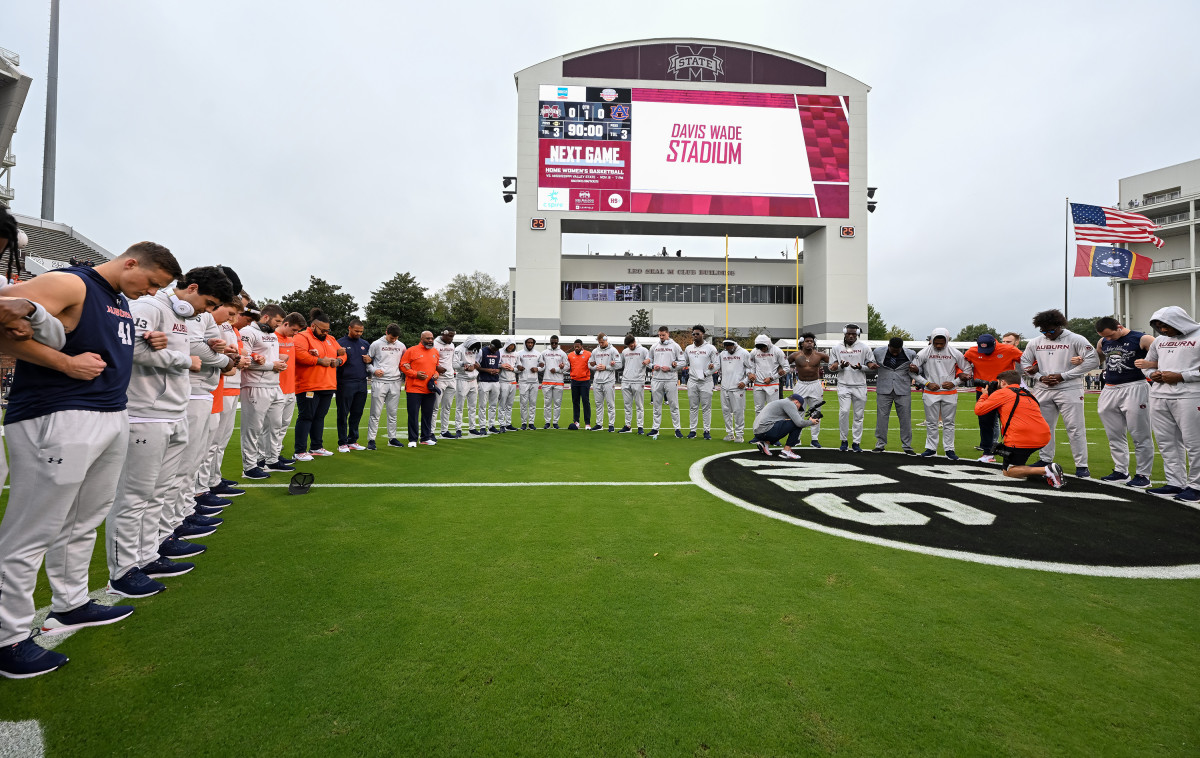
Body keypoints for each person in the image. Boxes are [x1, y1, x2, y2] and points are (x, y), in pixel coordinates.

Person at [0, 240, 180, 679]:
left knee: (84, 519)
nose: (151, 293)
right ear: (132, 262)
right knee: (31, 529)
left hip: (107, 414)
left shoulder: (117, 297)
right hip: (59, 413)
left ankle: (71, 602)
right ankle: (7, 638)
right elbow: (5, 317)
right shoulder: (70, 281)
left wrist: (147, 339)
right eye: (151, 283)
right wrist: (63, 363)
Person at [1020, 309, 1098, 477]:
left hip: (1069, 389)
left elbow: (1093, 360)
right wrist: (1040, 377)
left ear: (1059, 325)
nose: (1047, 334)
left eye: (1050, 330)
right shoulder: (1035, 342)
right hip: (1043, 389)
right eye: (1043, 330)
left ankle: (1081, 465)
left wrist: (1064, 376)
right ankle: (1045, 459)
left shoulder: (1076, 339)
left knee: (1075, 427)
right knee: (1043, 428)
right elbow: (1025, 361)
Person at [1141, 306, 1200, 500]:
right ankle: (1175, 482)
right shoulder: (1159, 341)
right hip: (1159, 395)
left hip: (1191, 395)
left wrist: (1181, 376)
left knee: (1195, 443)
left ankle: (1197, 486)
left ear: (1179, 321)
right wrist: (1153, 374)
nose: (1164, 330)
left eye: (1166, 325)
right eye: (1159, 326)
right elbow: (1147, 364)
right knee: (1167, 443)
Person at [197, 296, 252, 501]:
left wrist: (236, 359)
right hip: (211, 387)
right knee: (207, 444)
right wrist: (228, 362)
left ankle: (212, 480)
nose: (236, 317)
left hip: (224, 386)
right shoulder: (207, 319)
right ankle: (202, 489)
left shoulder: (228, 327)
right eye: (234, 312)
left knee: (218, 441)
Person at [1092, 317, 1155, 487]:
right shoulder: (1102, 341)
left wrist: (1149, 363)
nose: (1109, 339)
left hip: (1135, 386)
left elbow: (1164, 358)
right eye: (1106, 337)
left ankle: (1143, 475)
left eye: (1111, 335)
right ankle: (1121, 471)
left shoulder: (1142, 338)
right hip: (1110, 388)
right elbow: (1097, 359)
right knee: (1114, 435)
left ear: (1119, 327)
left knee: (1140, 435)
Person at [974, 370, 1064, 487]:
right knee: (1018, 460)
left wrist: (985, 394)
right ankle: (1032, 468)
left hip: (1021, 438)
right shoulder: (1027, 393)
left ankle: (1047, 470)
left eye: (998, 383)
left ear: (1003, 382)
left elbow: (979, 410)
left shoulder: (1003, 393)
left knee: (1009, 471)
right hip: (1043, 437)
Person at [239, 304, 287, 475]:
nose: (279, 325)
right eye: (277, 321)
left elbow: (268, 359)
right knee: (253, 428)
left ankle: (271, 460)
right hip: (255, 386)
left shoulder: (271, 335)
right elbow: (244, 360)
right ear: (266, 317)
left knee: (275, 425)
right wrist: (271, 365)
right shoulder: (247, 332)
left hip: (274, 385)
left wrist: (279, 363)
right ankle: (250, 467)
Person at [962, 333, 1024, 462]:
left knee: (1011, 422)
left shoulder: (1009, 349)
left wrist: (1034, 371)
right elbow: (961, 364)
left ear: (995, 344)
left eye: (988, 349)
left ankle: (1014, 452)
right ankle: (987, 452)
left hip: (1006, 391)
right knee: (985, 422)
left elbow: (1028, 360)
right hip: (984, 390)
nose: (986, 352)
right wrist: (962, 374)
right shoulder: (971, 352)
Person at [293, 310, 344, 459]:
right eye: (323, 330)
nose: (326, 332)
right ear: (313, 326)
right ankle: (300, 451)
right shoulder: (302, 336)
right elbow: (298, 354)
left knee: (320, 416)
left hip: (327, 384)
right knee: (306, 416)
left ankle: (316, 446)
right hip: (309, 385)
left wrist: (339, 361)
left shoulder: (331, 339)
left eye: (328, 330)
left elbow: (342, 353)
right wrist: (319, 360)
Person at [914, 327, 971, 459]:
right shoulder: (924, 352)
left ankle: (949, 449)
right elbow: (912, 371)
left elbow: (967, 370)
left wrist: (955, 382)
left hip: (950, 392)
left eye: (942, 343)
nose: (939, 345)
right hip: (930, 392)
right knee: (931, 422)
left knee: (949, 423)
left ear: (947, 340)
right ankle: (931, 448)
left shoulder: (955, 352)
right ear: (931, 340)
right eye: (936, 342)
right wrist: (927, 383)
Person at [265, 312, 305, 466]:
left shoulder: (291, 339)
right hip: (276, 387)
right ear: (285, 323)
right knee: (271, 426)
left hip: (290, 387)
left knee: (283, 425)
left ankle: (275, 454)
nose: (295, 334)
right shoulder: (272, 337)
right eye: (294, 330)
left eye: (297, 331)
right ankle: (265, 457)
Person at [871, 337, 918, 454]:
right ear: (888, 346)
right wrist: (866, 366)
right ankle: (880, 444)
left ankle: (907, 446)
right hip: (883, 390)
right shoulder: (877, 352)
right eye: (893, 350)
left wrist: (917, 369)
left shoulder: (911, 354)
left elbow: (919, 369)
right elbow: (869, 366)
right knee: (881, 418)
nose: (896, 352)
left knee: (905, 419)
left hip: (903, 390)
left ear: (902, 347)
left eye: (898, 350)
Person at [828, 324, 870, 452]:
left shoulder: (864, 347)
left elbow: (871, 366)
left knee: (859, 415)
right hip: (844, 384)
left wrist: (861, 367)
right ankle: (844, 440)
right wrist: (840, 366)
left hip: (860, 385)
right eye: (848, 334)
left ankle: (856, 442)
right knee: (844, 412)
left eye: (854, 334)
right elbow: (831, 367)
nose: (851, 336)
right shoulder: (836, 348)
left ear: (857, 334)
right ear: (844, 334)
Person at [365, 323, 406, 448]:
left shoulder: (401, 346)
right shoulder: (376, 344)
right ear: (386, 332)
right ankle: (371, 440)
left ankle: (392, 438)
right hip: (380, 382)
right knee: (375, 413)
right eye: (392, 338)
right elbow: (367, 362)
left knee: (393, 413)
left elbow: (404, 362)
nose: (394, 340)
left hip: (395, 382)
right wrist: (374, 370)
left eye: (396, 338)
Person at [400, 330, 443, 446]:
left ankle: (425, 437)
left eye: (432, 338)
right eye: (427, 338)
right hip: (414, 389)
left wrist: (436, 374)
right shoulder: (411, 350)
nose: (430, 340)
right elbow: (403, 366)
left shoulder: (435, 351)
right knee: (413, 415)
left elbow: (436, 368)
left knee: (428, 414)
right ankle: (413, 439)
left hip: (429, 389)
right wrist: (415, 374)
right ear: (421, 339)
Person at [336, 318, 371, 451]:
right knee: (343, 413)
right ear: (349, 328)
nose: (359, 334)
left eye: (361, 331)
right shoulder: (339, 343)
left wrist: (370, 359)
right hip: (345, 383)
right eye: (356, 331)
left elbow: (369, 362)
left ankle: (353, 440)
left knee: (357, 412)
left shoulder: (365, 343)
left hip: (362, 382)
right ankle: (342, 442)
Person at [749, 393, 819, 460]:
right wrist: (811, 422)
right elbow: (799, 423)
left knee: (790, 423)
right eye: (798, 407)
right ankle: (786, 451)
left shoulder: (781, 402)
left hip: (759, 432)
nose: (797, 409)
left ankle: (765, 443)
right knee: (796, 425)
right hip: (766, 430)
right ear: (796, 402)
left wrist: (808, 421)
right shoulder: (789, 403)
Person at [790, 333, 829, 447]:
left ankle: (814, 439)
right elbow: (782, 364)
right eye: (807, 341)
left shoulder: (820, 355)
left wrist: (838, 364)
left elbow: (834, 362)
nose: (809, 343)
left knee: (816, 411)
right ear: (802, 343)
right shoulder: (795, 355)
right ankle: (797, 438)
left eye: (811, 341)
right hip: (801, 384)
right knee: (798, 412)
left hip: (815, 384)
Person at [684, 325, 720, 440]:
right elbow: (683, 362)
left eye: (697, 334)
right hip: (692, 381)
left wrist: (707, 372)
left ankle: (706, 430)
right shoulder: (688, 348)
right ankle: (693, 430)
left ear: (703, 334)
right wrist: (673, 364)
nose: (695, 336)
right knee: (693, 407)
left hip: (706, 381)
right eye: (693, 334)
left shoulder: (711, 348)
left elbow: (717, 365)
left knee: (706, 407)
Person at [648, 326, 684, 438]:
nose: (661, 337)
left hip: (670, 379)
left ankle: (677, 429)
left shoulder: (675, 346)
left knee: (674, 405)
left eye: (663, 335)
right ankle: (655, 428)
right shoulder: (654, 346)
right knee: (656, 405)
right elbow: (648, 361)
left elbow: (683, 362)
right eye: (660, 335)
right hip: (657, 379)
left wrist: (671, 367)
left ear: (668, 334)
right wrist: (653, 366)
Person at [718, 337, 752, 442]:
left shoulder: (744, 353)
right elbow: (719, 368)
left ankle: (739, 435)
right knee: (726, 411)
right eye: (726, 346)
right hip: (724, 387)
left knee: (738, 411)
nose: (728, 348)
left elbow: (750, 368)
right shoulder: (722, 354)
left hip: (738, 387)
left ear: (734, 345)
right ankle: (729, 433)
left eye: (730, 346)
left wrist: (745, 382)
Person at [748, 334, 788, 417]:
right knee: (758, 409)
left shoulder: (777, 351)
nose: (762, 349)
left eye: (763, 347)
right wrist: (750, 373)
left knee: (773, 409)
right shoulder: (754, 351)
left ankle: (772, 429)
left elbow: (786, 368)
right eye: (759, 347)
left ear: (768, 344)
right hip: (758, 384)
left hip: (772, 384)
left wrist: (772, 378)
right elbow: (749, 365)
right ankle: (759, 428)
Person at [452, 335, 484, 436]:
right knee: (460, 406)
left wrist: (476, 365)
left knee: (473, 406)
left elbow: (478, 361)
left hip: (474, 380)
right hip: (462, 380)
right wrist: (464, 366)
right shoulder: (458, 349)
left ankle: (472, 427)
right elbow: (454, 364)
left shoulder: (476, 349)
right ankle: (458, 429)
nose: (473, 348)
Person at [619, 334, 650, 434]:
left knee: (639, 405)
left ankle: (640, 426)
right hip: (626, 380)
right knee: (627, 405)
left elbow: (650, 361)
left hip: (638, 380)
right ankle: (628, 426)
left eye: (631, 345)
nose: (630, 347)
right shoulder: (625, 351)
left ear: (634, 342)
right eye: (628, 346)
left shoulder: (644, 350)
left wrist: (648, 361)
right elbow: (620, 363)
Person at [590, 333, 621, 431]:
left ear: (606, 340)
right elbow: (589, 364)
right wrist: (595, 367)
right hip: (597, 381)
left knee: (610, 403)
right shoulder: (595, 351)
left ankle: (611, 425)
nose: (600, 344)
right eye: (599, 342)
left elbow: (619, 365)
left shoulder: (613, 350)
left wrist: (607, 367)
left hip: (609, 381)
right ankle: (599, 424)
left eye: (602, 342)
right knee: (598, 403)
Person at [433, 328, 458, 438]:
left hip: (451, 379)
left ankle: (444, 431)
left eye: (453, 336)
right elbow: (429, 360)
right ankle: (431, 432)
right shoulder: (434, 344)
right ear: (443, 334)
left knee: (447, 407)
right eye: (449, 336)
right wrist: (436, 368)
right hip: (439, 379)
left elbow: (451, 361)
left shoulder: (452, 345)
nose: (451, 338)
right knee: (435, 407)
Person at [540, 335, 569, 429]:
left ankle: (555, 422)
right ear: (550, 342)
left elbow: (567, 366)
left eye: (555, 343)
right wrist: (541, 366)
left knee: (557, 403)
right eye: (552, 342)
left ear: (558, 342)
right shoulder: (544, 352)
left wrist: (558, 369)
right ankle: (547, 422)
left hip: (558, 381)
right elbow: (541, 366)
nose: (554, 344)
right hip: (546, 381)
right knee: (547, 403)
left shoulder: (562, 353)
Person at [565, 338, 593, 430]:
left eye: (578, 346)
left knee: (585, 401)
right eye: (575, 346)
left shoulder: (588, 354)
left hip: (585, 381)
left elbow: (592, 364)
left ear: (582, 346)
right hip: (574, 381)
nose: (576, 348)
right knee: (575, 402)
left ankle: (587, 423)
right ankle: (576, 421)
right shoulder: (570, 355)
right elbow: (567, 367)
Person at [516, 337, 543, 430]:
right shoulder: (519, 354)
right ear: (525, 343)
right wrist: (519, 369)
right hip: (523, 381)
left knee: (533, 403)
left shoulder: (538, 354)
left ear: (534, 344)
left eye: (532, 343)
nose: (530, 344)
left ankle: (531, 422)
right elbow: (516, 366)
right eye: (528, 342)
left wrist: (537, 369)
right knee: (523, 403)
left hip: (534, 382)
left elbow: (543, 365)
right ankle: (524, 422)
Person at [477, 337, 503, 434]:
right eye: (495, 349)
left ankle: (491, 425)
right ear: (491, 346)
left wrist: (498, 370)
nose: (495, 351)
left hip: (495, 381)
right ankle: (482, 426)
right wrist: (487, 370)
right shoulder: (482, 351)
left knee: (493, 405)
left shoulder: (498, 352)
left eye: (497, 349)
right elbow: (477, 366)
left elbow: (499, 365)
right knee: (483, 405)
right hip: (484, 380)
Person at [498, 338, 520, 431]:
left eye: (513, 346)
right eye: (509, 346)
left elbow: (519, 368)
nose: (511, 348)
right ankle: (501, 424)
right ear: (506, 345)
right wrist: (501, 366)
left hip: (513, 381)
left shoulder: (516, 354)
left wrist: (513, 369)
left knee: (510, 404)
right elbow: (496, 364)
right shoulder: (500, 352)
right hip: (502, 381)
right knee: (502, 404)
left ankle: (508, 423)